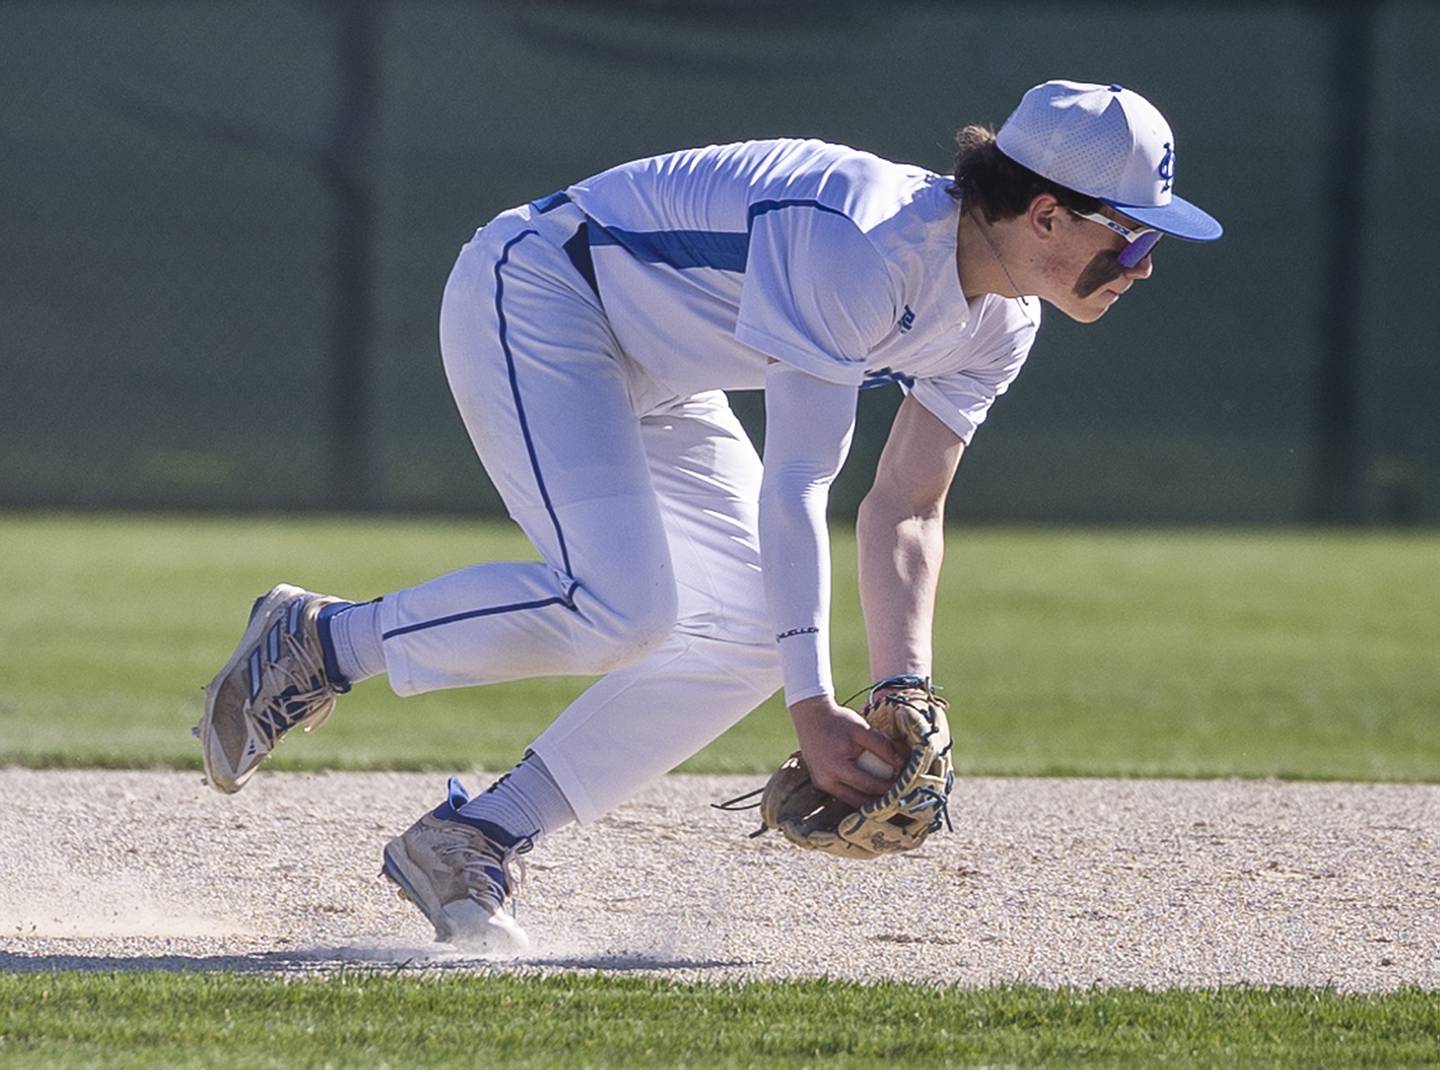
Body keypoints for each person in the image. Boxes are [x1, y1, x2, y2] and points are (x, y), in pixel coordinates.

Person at [196, 80, 1221, 954]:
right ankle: (321, 640)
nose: (1141, 265)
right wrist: (815, 702)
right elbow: (798, 483)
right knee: (620, 608)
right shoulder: (861, 243)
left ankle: (478, 837)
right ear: (1045, 215)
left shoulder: (1002, 323)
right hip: (546, 291)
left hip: (664, 372)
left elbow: (905, 506)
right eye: (1130, 237)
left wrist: (903, 682)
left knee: (745, 635)